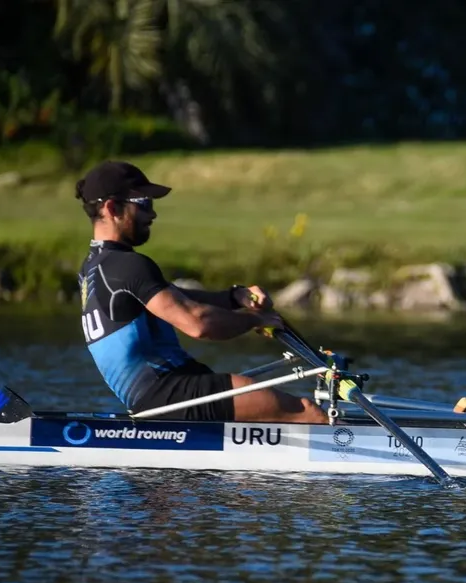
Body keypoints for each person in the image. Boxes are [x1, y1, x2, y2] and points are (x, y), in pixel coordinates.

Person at [75, 160, 328, 424]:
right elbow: (199, 324)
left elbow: (176, 297)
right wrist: (256, 321)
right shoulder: (128, 266)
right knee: (307, 413)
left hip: (167, 391)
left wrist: (234, 297)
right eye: (144, 204)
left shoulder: (96, 267)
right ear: (113, 208)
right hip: (170, 393)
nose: (153, 215)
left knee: (291, 414)